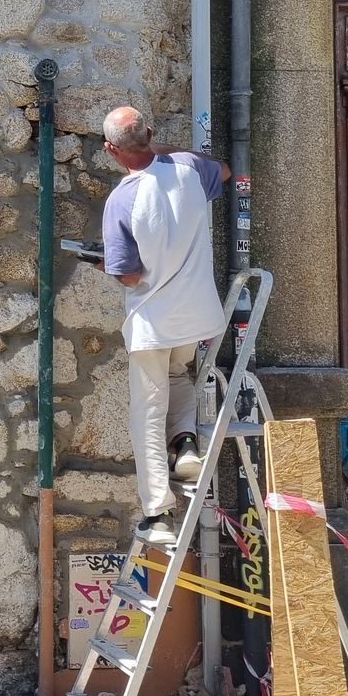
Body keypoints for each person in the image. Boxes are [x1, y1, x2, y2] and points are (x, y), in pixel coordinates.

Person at [98, 106, 230, 551]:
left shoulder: (121, 200)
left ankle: (156, 513)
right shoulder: (190, 170)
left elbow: (130, 276)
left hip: (153, 320)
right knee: (180, 377)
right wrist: (161, 149)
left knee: (146, 414)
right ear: (150, 135)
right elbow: (224, 170)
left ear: (110, 151)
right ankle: (187, 447)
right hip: (194, 316)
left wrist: (106, 263)